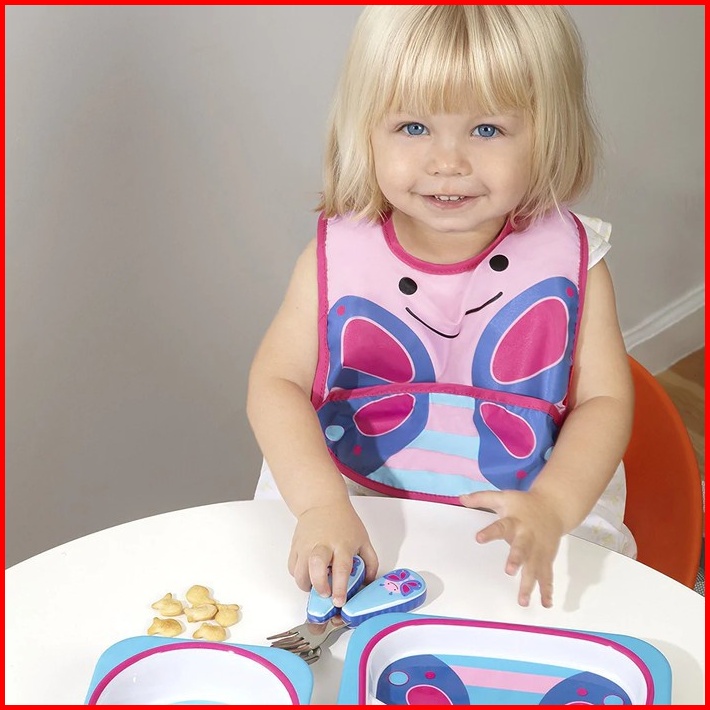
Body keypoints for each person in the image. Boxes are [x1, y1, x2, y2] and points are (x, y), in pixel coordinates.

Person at [246, 5, 636, 609]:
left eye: (487, 130)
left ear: (549, 134)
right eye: (412, 126)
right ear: (365, 130)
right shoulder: (336, 255)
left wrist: (553, 505)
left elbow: (604, 402)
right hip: (353, 495)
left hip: (530, 503)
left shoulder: (574, 261)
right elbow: (275, 383)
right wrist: (321, 503)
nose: (447, 162)